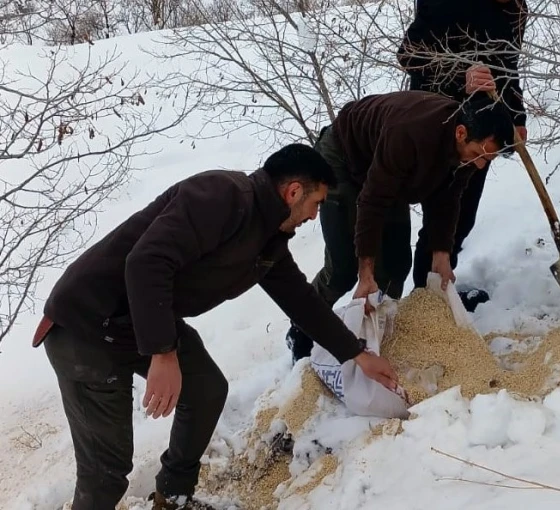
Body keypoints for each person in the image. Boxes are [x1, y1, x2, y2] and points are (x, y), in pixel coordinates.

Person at [31, 144, 399, 510]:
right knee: (106, 473)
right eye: (316, 203)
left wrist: (356, 354)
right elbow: (146, 262)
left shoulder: (268, 239)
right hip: (86, 325)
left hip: (138, 317)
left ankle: (172, 497)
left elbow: (302, 302)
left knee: (206, 389)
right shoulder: (220, 196)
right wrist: (162, 351)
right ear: (293, 192)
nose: (315, 215)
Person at [285, 90, 515, 362]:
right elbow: (372, 201)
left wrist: (441, 253)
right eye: (478, 154)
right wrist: (365, 272)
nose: (479, 165)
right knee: (344, 268)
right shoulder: (410, 134)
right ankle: (302, 330)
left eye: (487, 160)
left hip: (387, 170)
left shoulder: (467, 149)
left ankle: (378, 333)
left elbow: (448, 198)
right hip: (344, 159)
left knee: (396, 264)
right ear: (461, 132)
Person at [397, 0, 529, 311]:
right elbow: (409, 56)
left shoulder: (516, 7)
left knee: (462, 218)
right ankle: (426, 303)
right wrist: (462, 74)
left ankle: (438, 292)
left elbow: (508, 65)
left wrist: (517, 115)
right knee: (440, 219)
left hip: (483, 127)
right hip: (439, 125)